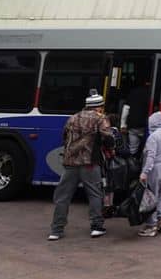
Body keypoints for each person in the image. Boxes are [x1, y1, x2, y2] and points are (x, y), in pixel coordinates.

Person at [48, 89, 113, 241]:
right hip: (90, 163)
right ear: (98, 106)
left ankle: (56, 230)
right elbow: (108, 139)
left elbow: (64, 137)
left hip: (70, 163)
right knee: (95, 194)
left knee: (63, 197)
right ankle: (96, 227)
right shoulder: (100, 118)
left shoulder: (73, 118)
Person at [121, 80, 151, 156]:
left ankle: (133, 163)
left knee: (132, 149)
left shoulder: (133, 92)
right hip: (145, 126)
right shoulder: (151, 93)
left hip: (133, 125)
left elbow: (126, 109)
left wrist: (123, 125)